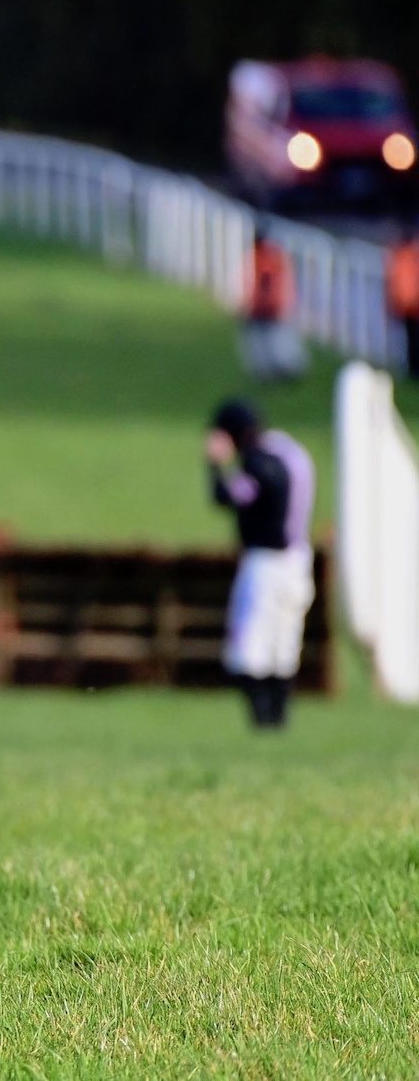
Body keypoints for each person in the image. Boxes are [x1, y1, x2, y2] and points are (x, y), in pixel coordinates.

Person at [205, 399, 316, 729]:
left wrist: (214, 464)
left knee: (250, 646)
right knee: (283, 645)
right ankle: (278, 721)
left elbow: (228, 496)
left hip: (265, 562)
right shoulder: (290, 450)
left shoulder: (258, 463)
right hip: (299, 559)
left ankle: (263, 722)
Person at [239, 225, 305, 383]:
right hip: (266, 306)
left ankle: (285, 369)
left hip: (271, 307)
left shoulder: (267, 258)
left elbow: (267, 284)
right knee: (266, 341)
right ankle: (273, 371)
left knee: (276, 340)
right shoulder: (265, 256)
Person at [386, 225, 419, 378]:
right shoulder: (406, 256)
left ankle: (411, 368)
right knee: (410, 340)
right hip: (409, 305)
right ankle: (412, 368)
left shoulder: (401, 256)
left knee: (410, 340)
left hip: (407, 304)